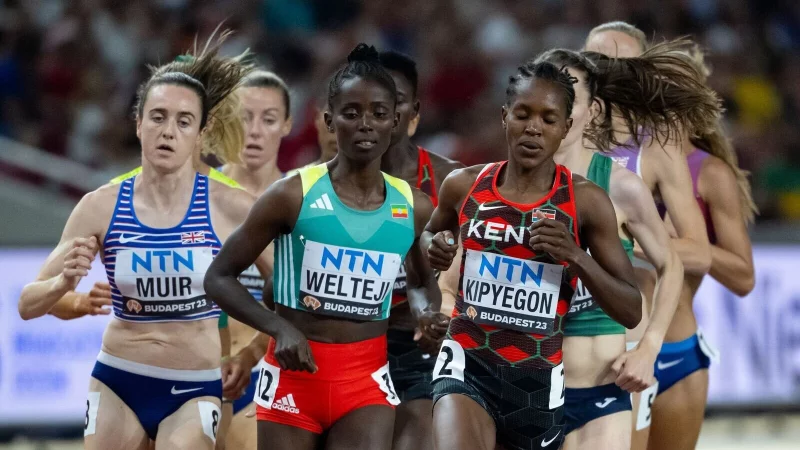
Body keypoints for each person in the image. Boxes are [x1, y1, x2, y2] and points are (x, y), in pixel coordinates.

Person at [17, 31, 268, 450]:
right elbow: (29, 303)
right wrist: (67, 289)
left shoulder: (231, 205)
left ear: (201, 132)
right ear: (138, 124)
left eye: (183, 121)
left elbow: (290, 289)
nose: (168, 131)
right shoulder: (101, 205)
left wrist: (257, 347)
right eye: (157, 117)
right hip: (119, 378)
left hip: (196, 383)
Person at [204, 44, 448, 450]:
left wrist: (426, 314)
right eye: (352, 113)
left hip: (366, 382)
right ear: (330, 120)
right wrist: (279, 327)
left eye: (379, 114)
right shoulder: (292, 194)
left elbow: (422, 282)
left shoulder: (413, 205)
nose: (366, 124)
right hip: (293, 378)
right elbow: (218, 276)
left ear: (396, 123)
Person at [422, 60, 642, 450]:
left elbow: (630, 309)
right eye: (523, 114)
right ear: (505, 117)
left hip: (536, 383)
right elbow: (430, 235)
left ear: (566, 128)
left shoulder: (586, 201)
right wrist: (434, 246)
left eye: (548, 118)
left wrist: (575, 255)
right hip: (466, 363)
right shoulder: (464, 185)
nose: (534, 127)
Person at [535, 47, 703, 449]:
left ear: (592, 111)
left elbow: (671, 266)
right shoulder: (498, 185)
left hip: (599, 390)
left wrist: (649, 347)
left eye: (571, 97)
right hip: (522, 387)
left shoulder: (620, 186)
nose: (559, 106)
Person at [604, 36, 755, 450]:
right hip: (610, 343)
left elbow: (741, 275)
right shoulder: (591, 150)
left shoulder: (705, 171)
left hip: (671, 346)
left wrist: (629, 241)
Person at [584, 23, 717, 448]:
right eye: (597, 62)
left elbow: (697, 251)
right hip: (565, 331)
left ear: (642, 73)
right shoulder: (558, 134)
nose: (608, 75)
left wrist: (628, 238)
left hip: (638, 335)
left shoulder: (656, 147)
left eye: (622, 66)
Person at [376, 49, 463, 450]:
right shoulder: (319, 186)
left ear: (415, 113)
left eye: (397, 99)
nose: (386, 109)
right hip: (351, 343)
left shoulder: (451, 181)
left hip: (421, 344)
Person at [212, 70, 293, 450]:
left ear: (287, 125)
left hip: (264, 370)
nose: (255, 131)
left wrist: (251, 353)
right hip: (190, 367)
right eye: (245, 117)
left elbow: (297, 305)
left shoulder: (300, 205)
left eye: (269, 119)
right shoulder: (199, 195)